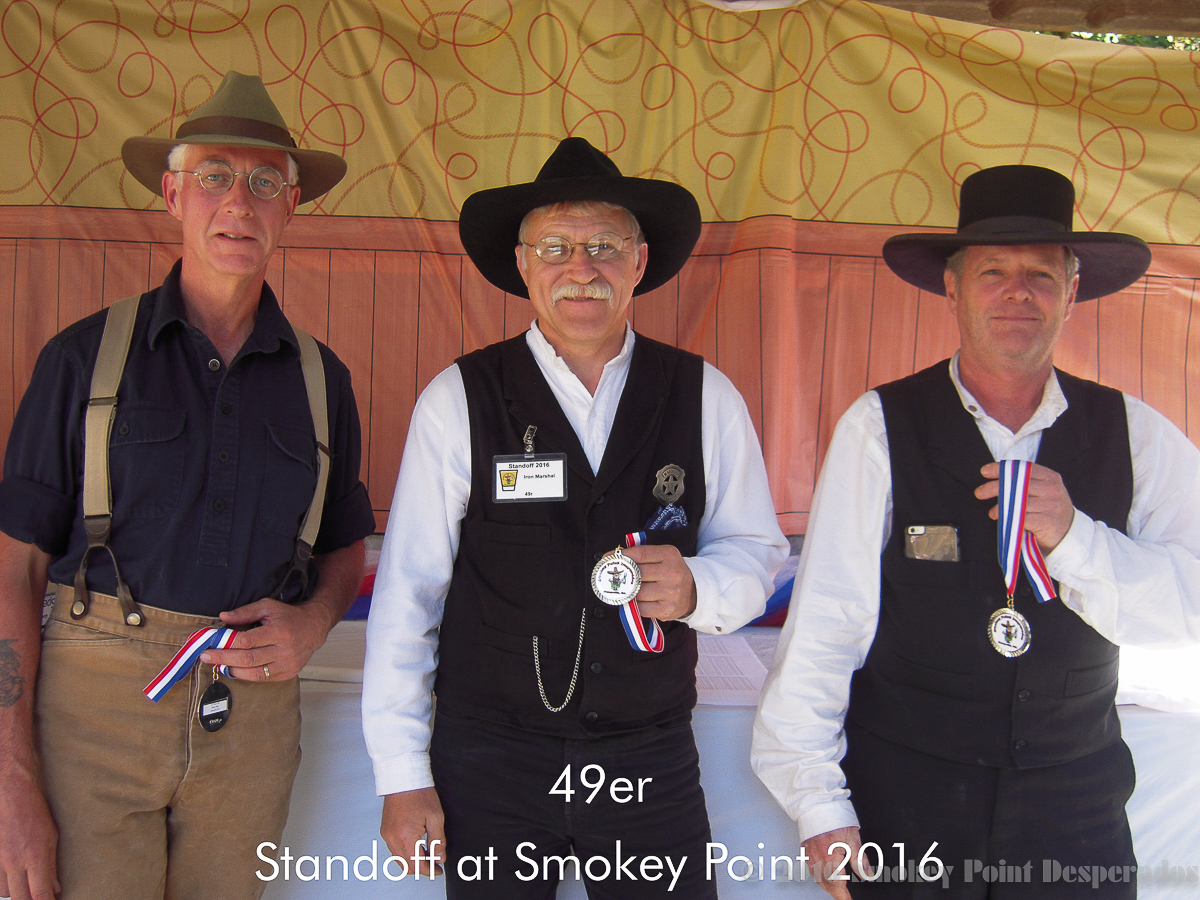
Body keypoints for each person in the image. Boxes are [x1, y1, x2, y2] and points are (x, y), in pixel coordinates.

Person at [752, 164, 1200, 899]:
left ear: (1072, 292)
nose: (1018, 293)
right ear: (953, 288)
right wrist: (818, 804)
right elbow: (828, 622)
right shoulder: (878, 427)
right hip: (909, 798)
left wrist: (1076, 539)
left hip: (1074, 807)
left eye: (1041, 274)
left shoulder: (1137, 434)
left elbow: (1189, 608)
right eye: (993, 271)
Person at [362, 136, 789, 898]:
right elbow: (409, 595)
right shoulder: (458, 400)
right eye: (556, 247)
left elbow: (756, 550)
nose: (581, 268)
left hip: (646, 756)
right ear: (523, 265)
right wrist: (400, 772)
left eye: (604, 246)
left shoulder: (705, 397)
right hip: (490, 758)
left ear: (639, 261)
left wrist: (700, 588)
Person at [0, 71, 375, 900]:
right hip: (91, 717)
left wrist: (313, 623)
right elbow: (14, 567)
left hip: (253, 719)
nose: (238, 202)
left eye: (264, 181)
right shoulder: (81, 358)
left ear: (291, 204)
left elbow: (344, 545)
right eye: (213, 175)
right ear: (173, 195)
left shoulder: (323, 380)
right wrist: (10, 777)